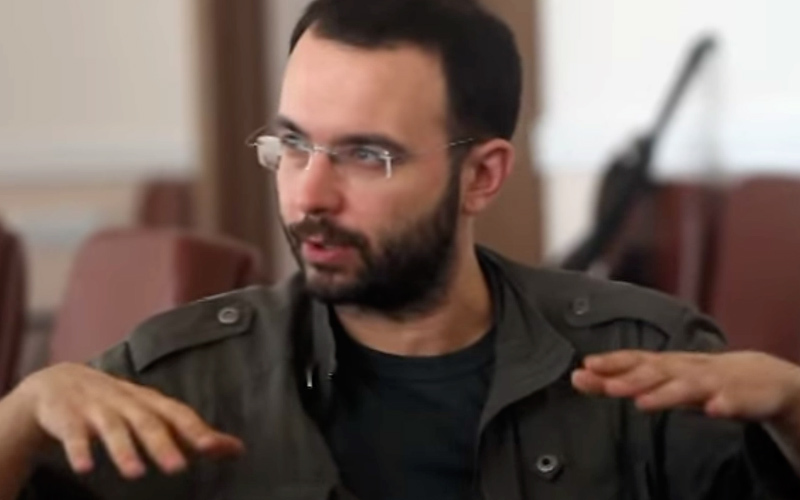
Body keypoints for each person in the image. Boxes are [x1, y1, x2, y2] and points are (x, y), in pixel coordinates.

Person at [3, 0, 800, 498]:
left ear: (481, 176)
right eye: (293, 145)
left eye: (366, 155)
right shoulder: (188, 380)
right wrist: (21, 417)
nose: (309, 195)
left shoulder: (642, 368)